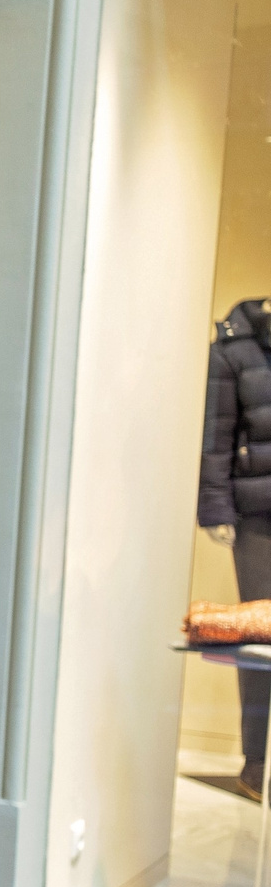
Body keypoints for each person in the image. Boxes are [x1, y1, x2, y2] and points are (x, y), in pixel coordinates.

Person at [198, 297, 271, 799]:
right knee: (260, 642)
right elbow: (216, 434)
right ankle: (255, 767)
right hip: (257, 518)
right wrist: (217, 509)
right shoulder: (234, 346)